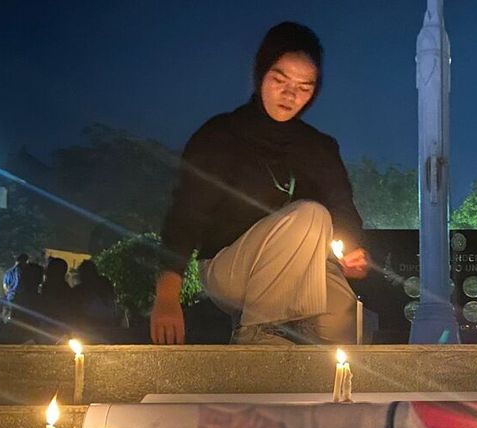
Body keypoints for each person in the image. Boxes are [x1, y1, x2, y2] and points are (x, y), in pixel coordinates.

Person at [150, 21, 369, 346]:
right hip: (230, 269)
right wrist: (167, 296)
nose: (290, 95)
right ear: (261, 74)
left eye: (304, 86)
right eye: (280, 80)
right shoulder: (221, 136)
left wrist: (354, 250)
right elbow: (186, 216)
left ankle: (337, 375)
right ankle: (259, 338)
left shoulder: (319, 147)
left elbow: (342, 206)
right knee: (311, 216)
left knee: (340, 308)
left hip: (299, 269)